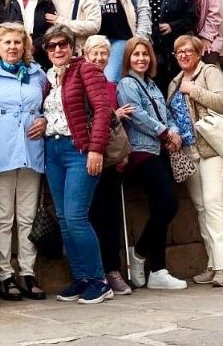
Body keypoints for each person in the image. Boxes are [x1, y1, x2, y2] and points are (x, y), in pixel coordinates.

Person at [0, 22, 48, 301]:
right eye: (7, 43)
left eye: (18, 42)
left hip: (30, 149)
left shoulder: (38, 74)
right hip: (0, 150)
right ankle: (5, 274)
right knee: (3, 218)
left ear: (25, 45)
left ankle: (27, 272)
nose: (13, 47)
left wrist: (44, 120)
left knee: (27, 216)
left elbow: (49, 105)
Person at [39, 24, 115, 305]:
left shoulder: (86, 70)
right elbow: (55, 111)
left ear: (73, 48)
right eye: (52, 46)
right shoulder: (49, 77)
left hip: (78, 150)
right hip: (53, 150)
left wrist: (96, 149)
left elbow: (103, 110)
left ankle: (99, 279)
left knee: (76, 217)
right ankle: (82, 277)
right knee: (63, 218)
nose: (58, 50)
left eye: (63, 44)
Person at [115, 36, 187, 290]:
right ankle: (140, 253)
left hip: (159, 150)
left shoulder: (154, 86)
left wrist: (174, 131)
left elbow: (166, 114)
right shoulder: (126, 83)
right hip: (140, 151)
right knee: (168, 203)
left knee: (160, 207)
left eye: (145, 54)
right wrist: (165, 133)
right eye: (136, 54)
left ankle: (158, 269)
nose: (141, 59)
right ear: (128, 59)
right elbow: (137, 115)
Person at [166, 34, 223, 287]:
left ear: (198, 52)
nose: (183, 55)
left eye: (188, 51)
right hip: (188, 151)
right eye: (178, 51)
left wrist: (193, 90)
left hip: (212, 148)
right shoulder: (173, 82)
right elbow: (170, 112)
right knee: (201, 208)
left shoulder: (209, 72)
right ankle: (212, 263)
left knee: (215, 204)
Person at [82, 35, 134, 296]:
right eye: (95, 53)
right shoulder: (78, 81)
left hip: (111, 157)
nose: (100, 58)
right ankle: (95, 271)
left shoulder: (112, 85)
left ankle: (113, 270)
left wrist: (123, 151)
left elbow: (117, 124)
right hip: (87, 156)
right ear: (85, 54)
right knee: (91, 214)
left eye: (104, 53)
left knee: (111, 215)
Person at [143, 0, 196, 92]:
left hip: (171, 53)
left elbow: (192, 17)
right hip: (145, 50)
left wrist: (173, 26)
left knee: (171, 91)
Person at [6, 0, 57, 67]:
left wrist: (34, 46)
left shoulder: (46, 4)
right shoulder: (6, 0)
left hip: (39, 59)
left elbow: (51, 32)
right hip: (10, 56)